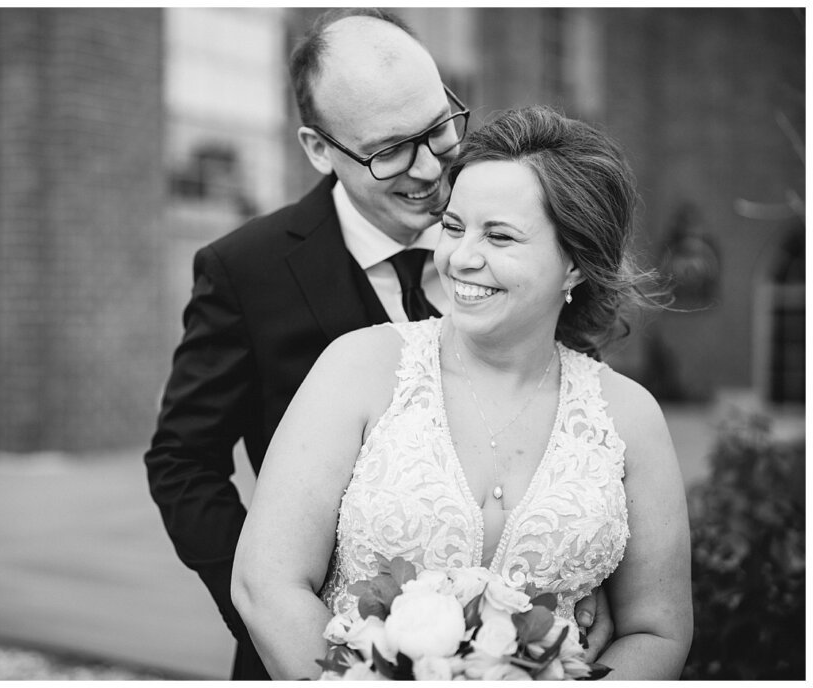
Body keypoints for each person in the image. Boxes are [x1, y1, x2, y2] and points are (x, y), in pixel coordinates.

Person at [146, 9, 608, 680]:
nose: (431, 167)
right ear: (316, 149)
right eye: (390, 149)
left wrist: (579, 572)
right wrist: (270, 605)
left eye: (439, 127)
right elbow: (182, 461)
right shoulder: (245, 271)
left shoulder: (520, 232)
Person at [231, 106, 694, 679]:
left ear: (575, 264)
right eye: (452, 227)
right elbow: (265, 583)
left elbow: (659, 629)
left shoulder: (629, 418)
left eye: (498, 235)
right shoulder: (359, 369)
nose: (460, 258)